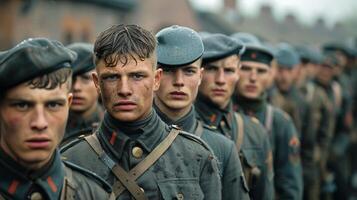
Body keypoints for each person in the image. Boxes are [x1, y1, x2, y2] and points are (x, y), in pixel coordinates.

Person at [61, 24, 221, 200]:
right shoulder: (70, 161)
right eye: (112, 77)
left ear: (156, 80)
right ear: (97, 82)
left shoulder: (195, 156)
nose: (124, 90)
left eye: (137, 76)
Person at [0, 38, 114, 199]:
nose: (40, 123)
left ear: (68, 103)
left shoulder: (95, 195)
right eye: (22, 105)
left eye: (53, 105)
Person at [153, 25, 250, 200]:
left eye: (189, 71)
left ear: (200, 76)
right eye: (167, 70)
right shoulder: (128, 137)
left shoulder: (222, 148)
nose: (179, 82)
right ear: (154, 76)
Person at [194, 33, 273, 200]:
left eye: (229, 71)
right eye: (212, 69)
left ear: (238, 73)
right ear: (198, 73)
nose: (220, 80)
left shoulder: (254, 131)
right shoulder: (184, 127)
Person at [232, 37, 303, 200]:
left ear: (271, 75)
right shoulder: (224, 116)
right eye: (246, 68)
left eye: (261, 71)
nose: (253, 77)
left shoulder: (280, 122)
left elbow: (290, 187)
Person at [63, 42, 104, 145]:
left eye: (85, 79)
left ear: (98, 82)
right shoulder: (49, 127)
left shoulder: (112, 127)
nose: (76, 87)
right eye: (71, 79)